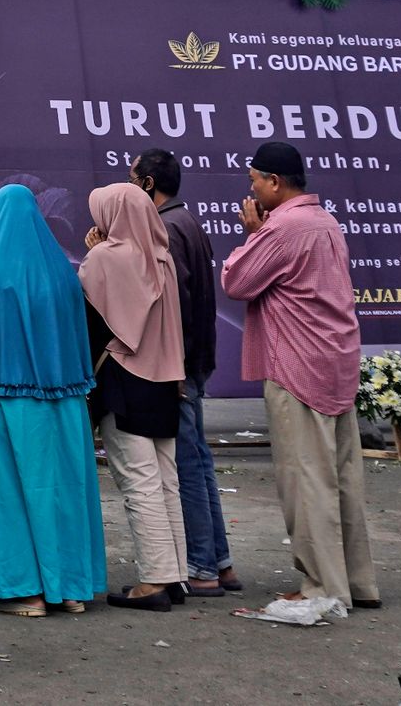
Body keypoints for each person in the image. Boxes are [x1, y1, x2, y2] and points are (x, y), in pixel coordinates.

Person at [220, 141, 379, 610]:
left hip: (297, 367)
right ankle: (356, 583)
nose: (250, 189)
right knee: (342, 479)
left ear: (274, 182)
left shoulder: (282, 228)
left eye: (254, 180)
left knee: (306, 481)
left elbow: (236, 282)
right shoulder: (325, 220)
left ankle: (323, 587)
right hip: (335, 363)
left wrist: (252, 235)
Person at [0, 184, 107, 616]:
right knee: (63, 488)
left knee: (8, 492)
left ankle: (23, 590)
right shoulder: (61, 271)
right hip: (65, 400)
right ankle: (70, 588)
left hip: (7, 398)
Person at [132, 149, 240, 597]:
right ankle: (220, 561)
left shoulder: (167, 229)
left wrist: (172, 367)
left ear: (149, 184)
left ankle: (201, 566)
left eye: (133, 177)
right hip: (192, 363)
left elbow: (172, 306)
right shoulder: (186, 222)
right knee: (198, 461)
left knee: (187, 466)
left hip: (179, 366)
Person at [80, 183, 188, 611]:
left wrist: (97, 250)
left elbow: (91, 316)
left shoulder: (105, 258)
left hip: (124, 379)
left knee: (138, 484)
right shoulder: (162, 258)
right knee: (165, 480)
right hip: (164, 380)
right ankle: (175, 574)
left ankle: (154, 581)